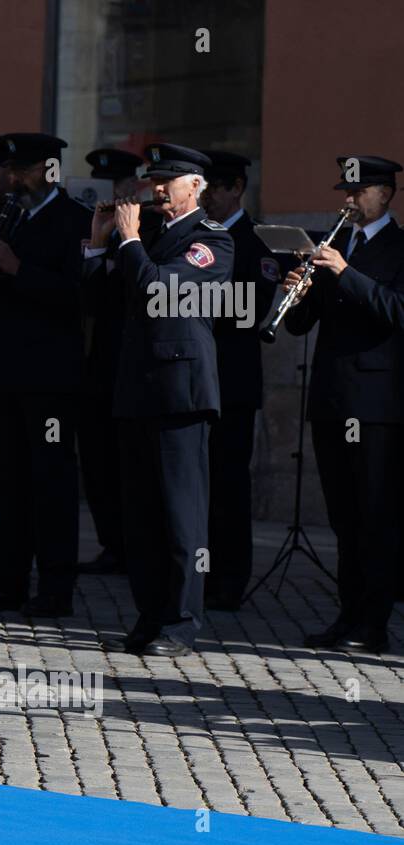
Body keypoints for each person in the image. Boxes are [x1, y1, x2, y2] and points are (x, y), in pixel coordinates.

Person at [82, 143, 234, 657]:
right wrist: (98, 244)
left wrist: (127, 242)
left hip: (180, 393)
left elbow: (157, 293)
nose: (158, 190)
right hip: (137, 389)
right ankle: (150, 616)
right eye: (155, 181)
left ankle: (182, 622)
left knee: (180, 515)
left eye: (170, 180)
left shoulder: (211, 242)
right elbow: (96, 302)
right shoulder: (144, 239)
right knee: (141, 516)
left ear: (197, 186)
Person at [0, 133, 91, 618]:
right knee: (6, 480)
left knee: (51, 483)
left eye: (25, 169)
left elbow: (77, 295)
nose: (14, 178)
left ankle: (56, 588)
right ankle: (7, 578)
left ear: (51, 171)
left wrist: (17, 269)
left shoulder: (75, 221)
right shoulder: (7, 218)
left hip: (50, 376)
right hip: (4, 368)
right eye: (12, 170)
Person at [285, 155, 404, 654]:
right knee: (343, 517)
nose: (349, 200)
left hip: (376, 402)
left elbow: (397, 310)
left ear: (387, 194)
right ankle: (347, 614)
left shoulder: (400, 247)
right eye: (346, 192)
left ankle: (373, 623)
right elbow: (298, 327)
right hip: (332, 397)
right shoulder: (335, 244)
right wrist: (301, 290)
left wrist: (346, 273)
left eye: (360, 192)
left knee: (374, 514)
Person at [200, 150, 277, 610]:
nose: (206, 198)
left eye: (214, 189)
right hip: (197, 381)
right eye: (202, 189)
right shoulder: (198, 238)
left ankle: (230, 578)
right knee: (200, 488)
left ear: (235, 190)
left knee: (229, 486)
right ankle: (200, 573)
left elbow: (247, 312)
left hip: (232, 384)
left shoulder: (256, 243)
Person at [75, 147, 145, 577]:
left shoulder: (145, 228)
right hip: (99, 358)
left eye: (117, 186)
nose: (112, 194)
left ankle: (132, 545)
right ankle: (111, 543)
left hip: (132, 359)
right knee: (98, 459)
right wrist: (98, 247)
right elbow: (88, 298)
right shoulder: (100, 228)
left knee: (128, 462)